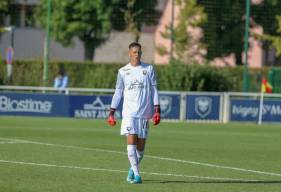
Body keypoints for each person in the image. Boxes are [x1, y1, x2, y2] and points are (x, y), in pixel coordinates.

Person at [107, 42, 161, 184]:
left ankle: (132, 168)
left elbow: (155, 90)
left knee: (141, 149)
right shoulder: (123, 71)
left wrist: (157, 110)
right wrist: (111, 112)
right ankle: (137, 176)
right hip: (129, 113)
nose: (137, 54)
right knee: (131, 143)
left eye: (139, 52)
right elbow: (118, 93)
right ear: (129, 53)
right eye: (134, 52)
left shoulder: (149, 69)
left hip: (144, 113)